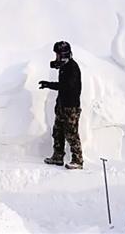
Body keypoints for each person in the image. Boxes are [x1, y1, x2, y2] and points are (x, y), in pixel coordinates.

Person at [39, 40, 83, 169]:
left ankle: (78, 160)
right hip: (62, 105)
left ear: (64, 54)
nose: (56, 58)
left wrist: (49, 84)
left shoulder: (73, 68)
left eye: (58, 55)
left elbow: (66, 86)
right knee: (57, 132)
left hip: (71, 107)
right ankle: (58, 157)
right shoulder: (64, 67)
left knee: (71, 134)